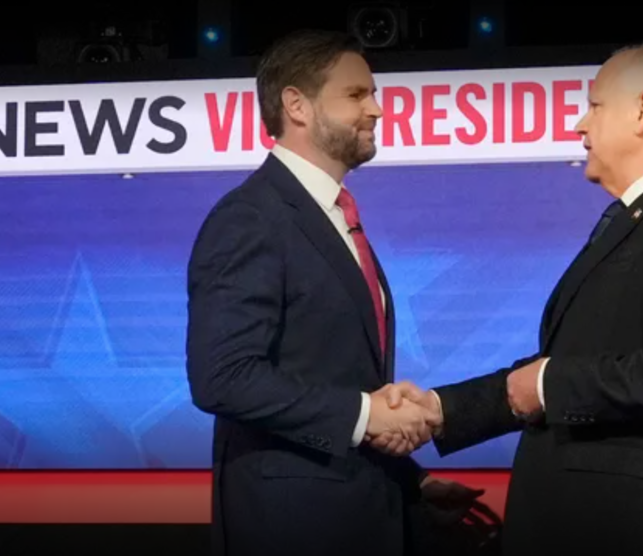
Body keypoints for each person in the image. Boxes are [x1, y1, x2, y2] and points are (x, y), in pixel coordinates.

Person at [379, 44, 643, 555]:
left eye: (594, 105)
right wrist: (445, 410)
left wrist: (550, 383)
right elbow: (571, 362)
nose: (580, 124)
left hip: (630, 530)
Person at [185, 30, 471, 556]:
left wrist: (411, 481)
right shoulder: (250, 219)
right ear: (296, 104)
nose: (378, 110)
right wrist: (367, 415)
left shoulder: (332, 215)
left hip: (358, 515)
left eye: (374, 94)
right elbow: (222, 378)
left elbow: (333, 379)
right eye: (357, 95)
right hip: (291, 528)